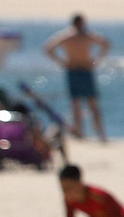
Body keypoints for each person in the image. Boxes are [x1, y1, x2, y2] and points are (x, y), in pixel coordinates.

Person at [43, 14, 112, 142]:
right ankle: (81, 133)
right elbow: (48, 48)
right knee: (77, 104)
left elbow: (106, 44)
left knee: (92, 104)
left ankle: (100, 134)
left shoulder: (86, 35)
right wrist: (61, 62)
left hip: (84, 69)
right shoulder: (70, 36)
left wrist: (97, 60)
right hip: (74, 69)